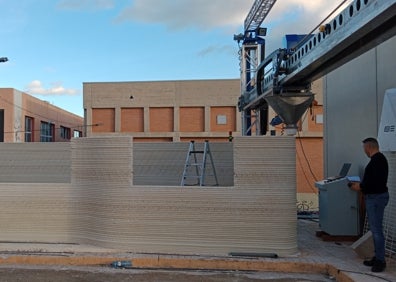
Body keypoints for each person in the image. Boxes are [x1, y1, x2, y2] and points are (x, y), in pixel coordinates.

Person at [349, 137, 389, 273]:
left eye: (364, 148)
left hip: (376, 199)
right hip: (374, 197)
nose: (364, 150)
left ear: (369, 147)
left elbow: (375, 183)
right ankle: (377, 256)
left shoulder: (378, 161)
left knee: (377, 230)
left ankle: (380, 261)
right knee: (375, 229)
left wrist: (360, 187)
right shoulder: (378, 160)